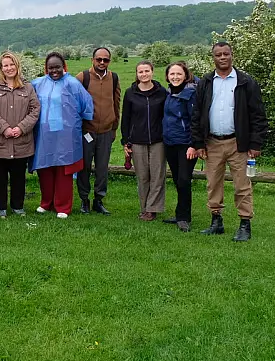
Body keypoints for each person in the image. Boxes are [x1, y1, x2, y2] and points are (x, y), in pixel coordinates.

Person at [190, 41, 268, 241]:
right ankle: (216, 221)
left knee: (242, 185)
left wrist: (255, 143)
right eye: (218, 54)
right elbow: (197, 113)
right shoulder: (206, 82)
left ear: (232, 55)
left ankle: (245, 223)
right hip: (212, 142)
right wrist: (198, 143)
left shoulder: (245, 82)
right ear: (213, 57)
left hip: (238, 143)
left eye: (226, 54)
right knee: (213, 183)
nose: (222, 57)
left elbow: (258, 115)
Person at [30, 52, 94, 219]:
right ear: (46, 69)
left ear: (64, 67)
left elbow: (86, 106)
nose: (54, 71)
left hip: (66, 135)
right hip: (44, 135)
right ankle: (46, 203)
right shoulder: (38, 84)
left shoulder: (73, 84)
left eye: (57, 67)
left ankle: (63, 206)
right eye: (51, 68)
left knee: (63, 170)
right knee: (45, 168)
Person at [0, 52, 40, 217]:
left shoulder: (28, 88)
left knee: (18, 177)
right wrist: (5, 128)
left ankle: (17, 206)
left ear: (17, 66)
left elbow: (35, 110)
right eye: (5, 65)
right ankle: (0, 206)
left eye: (11, 64)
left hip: (21, 141)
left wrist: (21, 128)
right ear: (1, 68)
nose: (9, 68)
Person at [75, 47, 121, 215]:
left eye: (106, 60)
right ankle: (84, 200)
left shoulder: (114, 78)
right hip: (86, 131)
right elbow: (73, 103)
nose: (102, 62)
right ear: (92, 60)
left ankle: (99, 200)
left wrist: (114, 127)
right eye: (99, 59)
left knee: (102, 168)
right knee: (84, 167)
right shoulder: (82, 77)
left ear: (109, 61)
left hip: (106, 132)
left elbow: (116, 103)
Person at [121, 61, 167, 221]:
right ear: (137, 74)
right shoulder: (130, 93)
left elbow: (166, 116)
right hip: (137, 140)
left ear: (152, 72)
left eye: (147, 71)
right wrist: (125, 141)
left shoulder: (162, 92)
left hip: (158, 140)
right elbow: (125, 118)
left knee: (157, 175)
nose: (144, 74)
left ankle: (152, 208)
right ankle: (144, 207)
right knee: (142, 176)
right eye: (140, 72)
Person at [163, 61, 198, 232]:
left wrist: (194, 145)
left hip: (186, 145)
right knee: (177, 180)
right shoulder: (169, 93)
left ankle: (184, 218)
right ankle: (180, 213)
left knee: (184, 180)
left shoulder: (190, 94)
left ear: (186, 75)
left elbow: (195, 121)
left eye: (179, 74)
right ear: (167, 77)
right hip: (170, 143)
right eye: (172, 74)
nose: (175, 77)